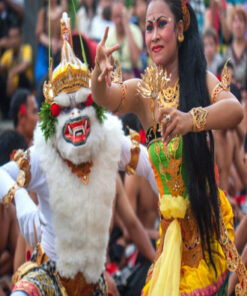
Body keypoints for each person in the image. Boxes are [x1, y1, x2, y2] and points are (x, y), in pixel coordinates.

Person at [91, 0, 245, 294]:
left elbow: (235, 110)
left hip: (207, 236)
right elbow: (105, 98)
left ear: (181, 28)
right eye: (148, 28)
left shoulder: (200, 81)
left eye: (162, 24)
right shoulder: (143, 92)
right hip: (171, 239)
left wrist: (190, 120)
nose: (154, 35)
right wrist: (98, 77)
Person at [0, 12, 157, 296]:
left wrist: (174, 205)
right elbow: (0, 174)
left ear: (94, 105)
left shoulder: (109, 141)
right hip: (49, 276)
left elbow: (151, 165)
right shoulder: (43, 155)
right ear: (52, 115)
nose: (74, 114)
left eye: (82, 103)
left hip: (93, 278)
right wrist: (21, 202)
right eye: (65, 107)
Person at [0, 26, 33, 118]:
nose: (13, 40)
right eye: (11, 37)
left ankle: (24, 113)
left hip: (24, 90)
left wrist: (12, 73)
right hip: (10, 91)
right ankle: (6, 114)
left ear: (20, 38)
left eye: (15, 37)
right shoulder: (8, 54)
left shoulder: (26, 49)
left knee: (21, 76)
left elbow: (26, 64)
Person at [106, 0, 143, 80]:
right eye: (116, 16)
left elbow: (135, 60)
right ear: (111, 18)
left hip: (134, 77)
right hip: (116, 79)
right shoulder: (109, 36)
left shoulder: (135, 31)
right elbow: (107, 65)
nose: (119, 21)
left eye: (121, 16)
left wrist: (126, 26)